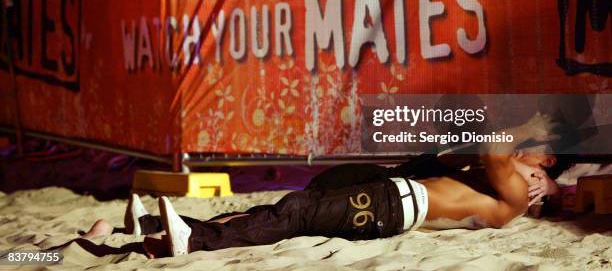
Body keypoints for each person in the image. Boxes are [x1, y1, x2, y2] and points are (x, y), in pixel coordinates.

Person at [81, 113, 566, 258]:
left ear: (544, 162)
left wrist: (528, 126)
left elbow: (493, 150)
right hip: (391, 199)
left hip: (392, 209)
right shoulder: (493, 181)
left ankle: (191, 240)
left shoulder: (522, 191)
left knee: (293, 214)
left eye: (538, 149)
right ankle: (151, 230)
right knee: (288, 208)